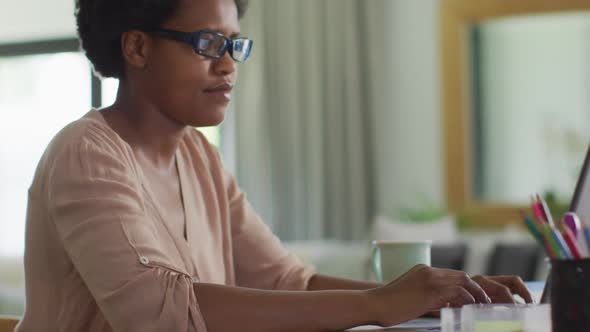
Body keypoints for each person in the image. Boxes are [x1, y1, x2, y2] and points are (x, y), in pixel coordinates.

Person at [17, 0, 533, 331]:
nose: (228, 65)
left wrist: (436, 298)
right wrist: (378, 303)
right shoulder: (88, 154)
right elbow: (165, 314)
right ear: (137, 47)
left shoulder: (198, 157)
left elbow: (286, 281)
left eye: (234, 46)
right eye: (208, 45)